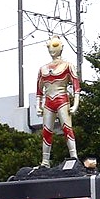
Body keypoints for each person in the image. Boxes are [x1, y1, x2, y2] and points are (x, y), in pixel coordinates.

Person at [36, 36, 81, 166]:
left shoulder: (68, 66)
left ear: (61, 47)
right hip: (49, 101)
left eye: (55, 45)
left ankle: (74, 157)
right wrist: (38, 105)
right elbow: (39, 90)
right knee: (46, 131)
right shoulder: (43, 69)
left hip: (62, 100)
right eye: (49, 46)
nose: (52, 49)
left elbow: (76, 87)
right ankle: (45, 160)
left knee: (67, 128)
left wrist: (75, 104)